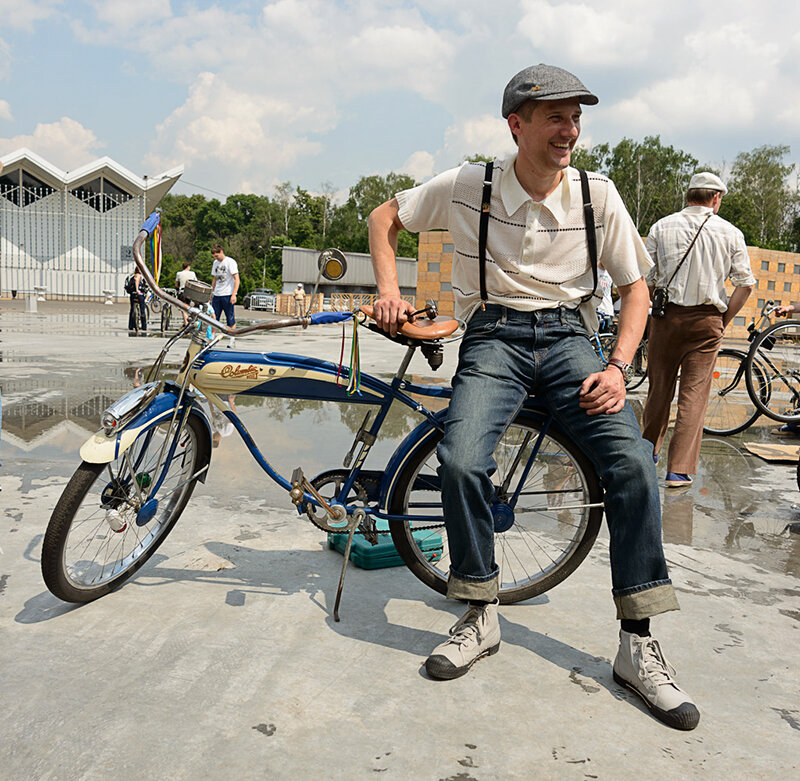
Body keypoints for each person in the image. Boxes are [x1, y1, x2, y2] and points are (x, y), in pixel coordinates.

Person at [368, 64, 699, 731]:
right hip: (492, 337)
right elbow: (383, 218)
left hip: (571, 340)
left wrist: (618, 364)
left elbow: (636, 289)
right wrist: (389, 290)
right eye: (555, 116)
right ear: (516, 123)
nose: (569, 130)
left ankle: (637, 643)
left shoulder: (594, 194)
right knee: (460, 460)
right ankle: (480, 610)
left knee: (634, 464)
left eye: (575, 117)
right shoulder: (470, 184)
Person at [642, 172, 754, 487]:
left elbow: (644, 277)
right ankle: (677, 470)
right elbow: (745, 284)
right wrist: (723, 319)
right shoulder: (731, 232)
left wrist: (659, 303)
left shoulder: (661, 227)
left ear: (689, 195)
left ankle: (646, 453)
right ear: (715, 198)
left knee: (658, 388)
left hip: (666, 319)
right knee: (694, 395)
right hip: (707, 322)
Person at [210, 244, 240, 329]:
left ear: (221, 252)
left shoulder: (230, 262)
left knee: (230, 319)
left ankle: (232, 339)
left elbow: (237, 279)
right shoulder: (215, 263)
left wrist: (234, 294)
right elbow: (215, 278)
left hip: (227, 294)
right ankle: (212, 338)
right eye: (214, 257)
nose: (216, 258)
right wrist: (211, 292)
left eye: (217, 256)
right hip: (217, 294)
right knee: (214, 319)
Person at [175, 261, 198, 325]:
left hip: (182, 292)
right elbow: (196, 282)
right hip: (191, 292)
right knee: (191, 307)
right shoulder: (192, 273)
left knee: (183, 308)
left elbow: (176, 284)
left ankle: (186, 322)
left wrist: (177, 287)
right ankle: (192, 320)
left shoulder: (179, 273)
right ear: (188, 267)